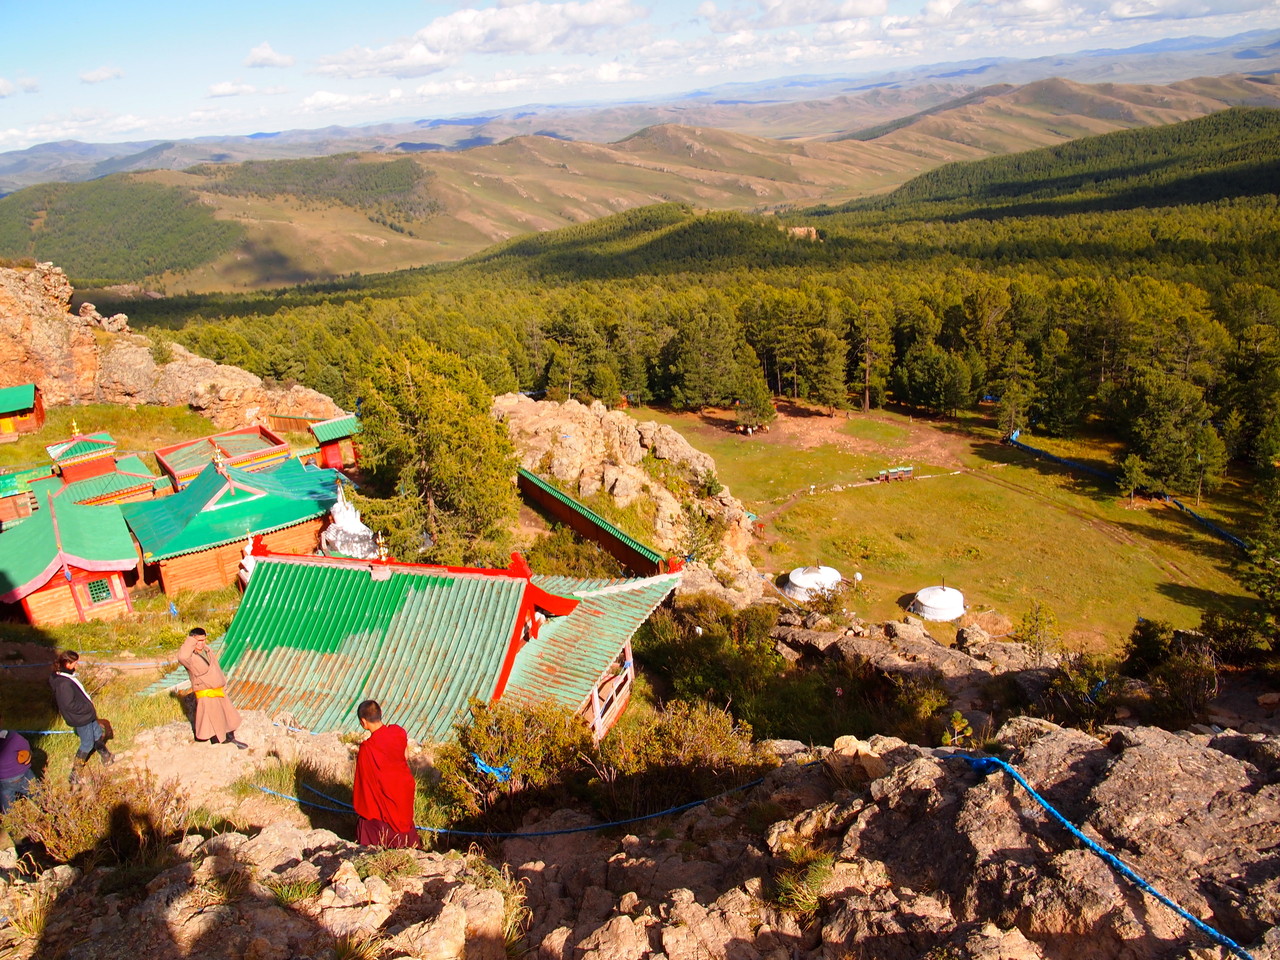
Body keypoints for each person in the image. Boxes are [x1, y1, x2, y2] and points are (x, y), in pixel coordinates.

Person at [352, 700, 420, 848]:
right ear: (380, 714)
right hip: (402, 788)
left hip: (385, 796)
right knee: (403, 821)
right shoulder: (398, 732)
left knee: (372, 809)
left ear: (363, 722)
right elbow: (406, 756)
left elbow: (365, 782)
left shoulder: (367, 748)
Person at [177, 628, 247, 749]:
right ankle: (220, 743)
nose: (202, 643)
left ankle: (230, 739)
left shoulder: (207, 651)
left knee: (227, 717)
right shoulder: (190, 657)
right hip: (206, 692)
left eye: (203, 640)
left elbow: (216, 668)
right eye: (198, 640)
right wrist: (191, 641)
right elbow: (182, 657)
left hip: (218, 690)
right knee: (213, 720)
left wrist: (223, 682)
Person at [49, 650, 113, 781]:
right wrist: (87, 708)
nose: (76, 666)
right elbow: (68, 704)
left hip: (86, 715)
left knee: (96, 733)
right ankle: (74, 774)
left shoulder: (64, 677)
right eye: (74, 663)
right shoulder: (63, 683)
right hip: (81, 718)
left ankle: (106, 756)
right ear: (67, 663)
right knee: (87, 744)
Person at [0, 725, 34, 812]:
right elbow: (26, 747)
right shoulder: (13, 736)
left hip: (3, 779)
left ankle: (11, 821)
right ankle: (49, 811)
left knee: (7, 806)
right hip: (22, 774)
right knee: (38, 794)